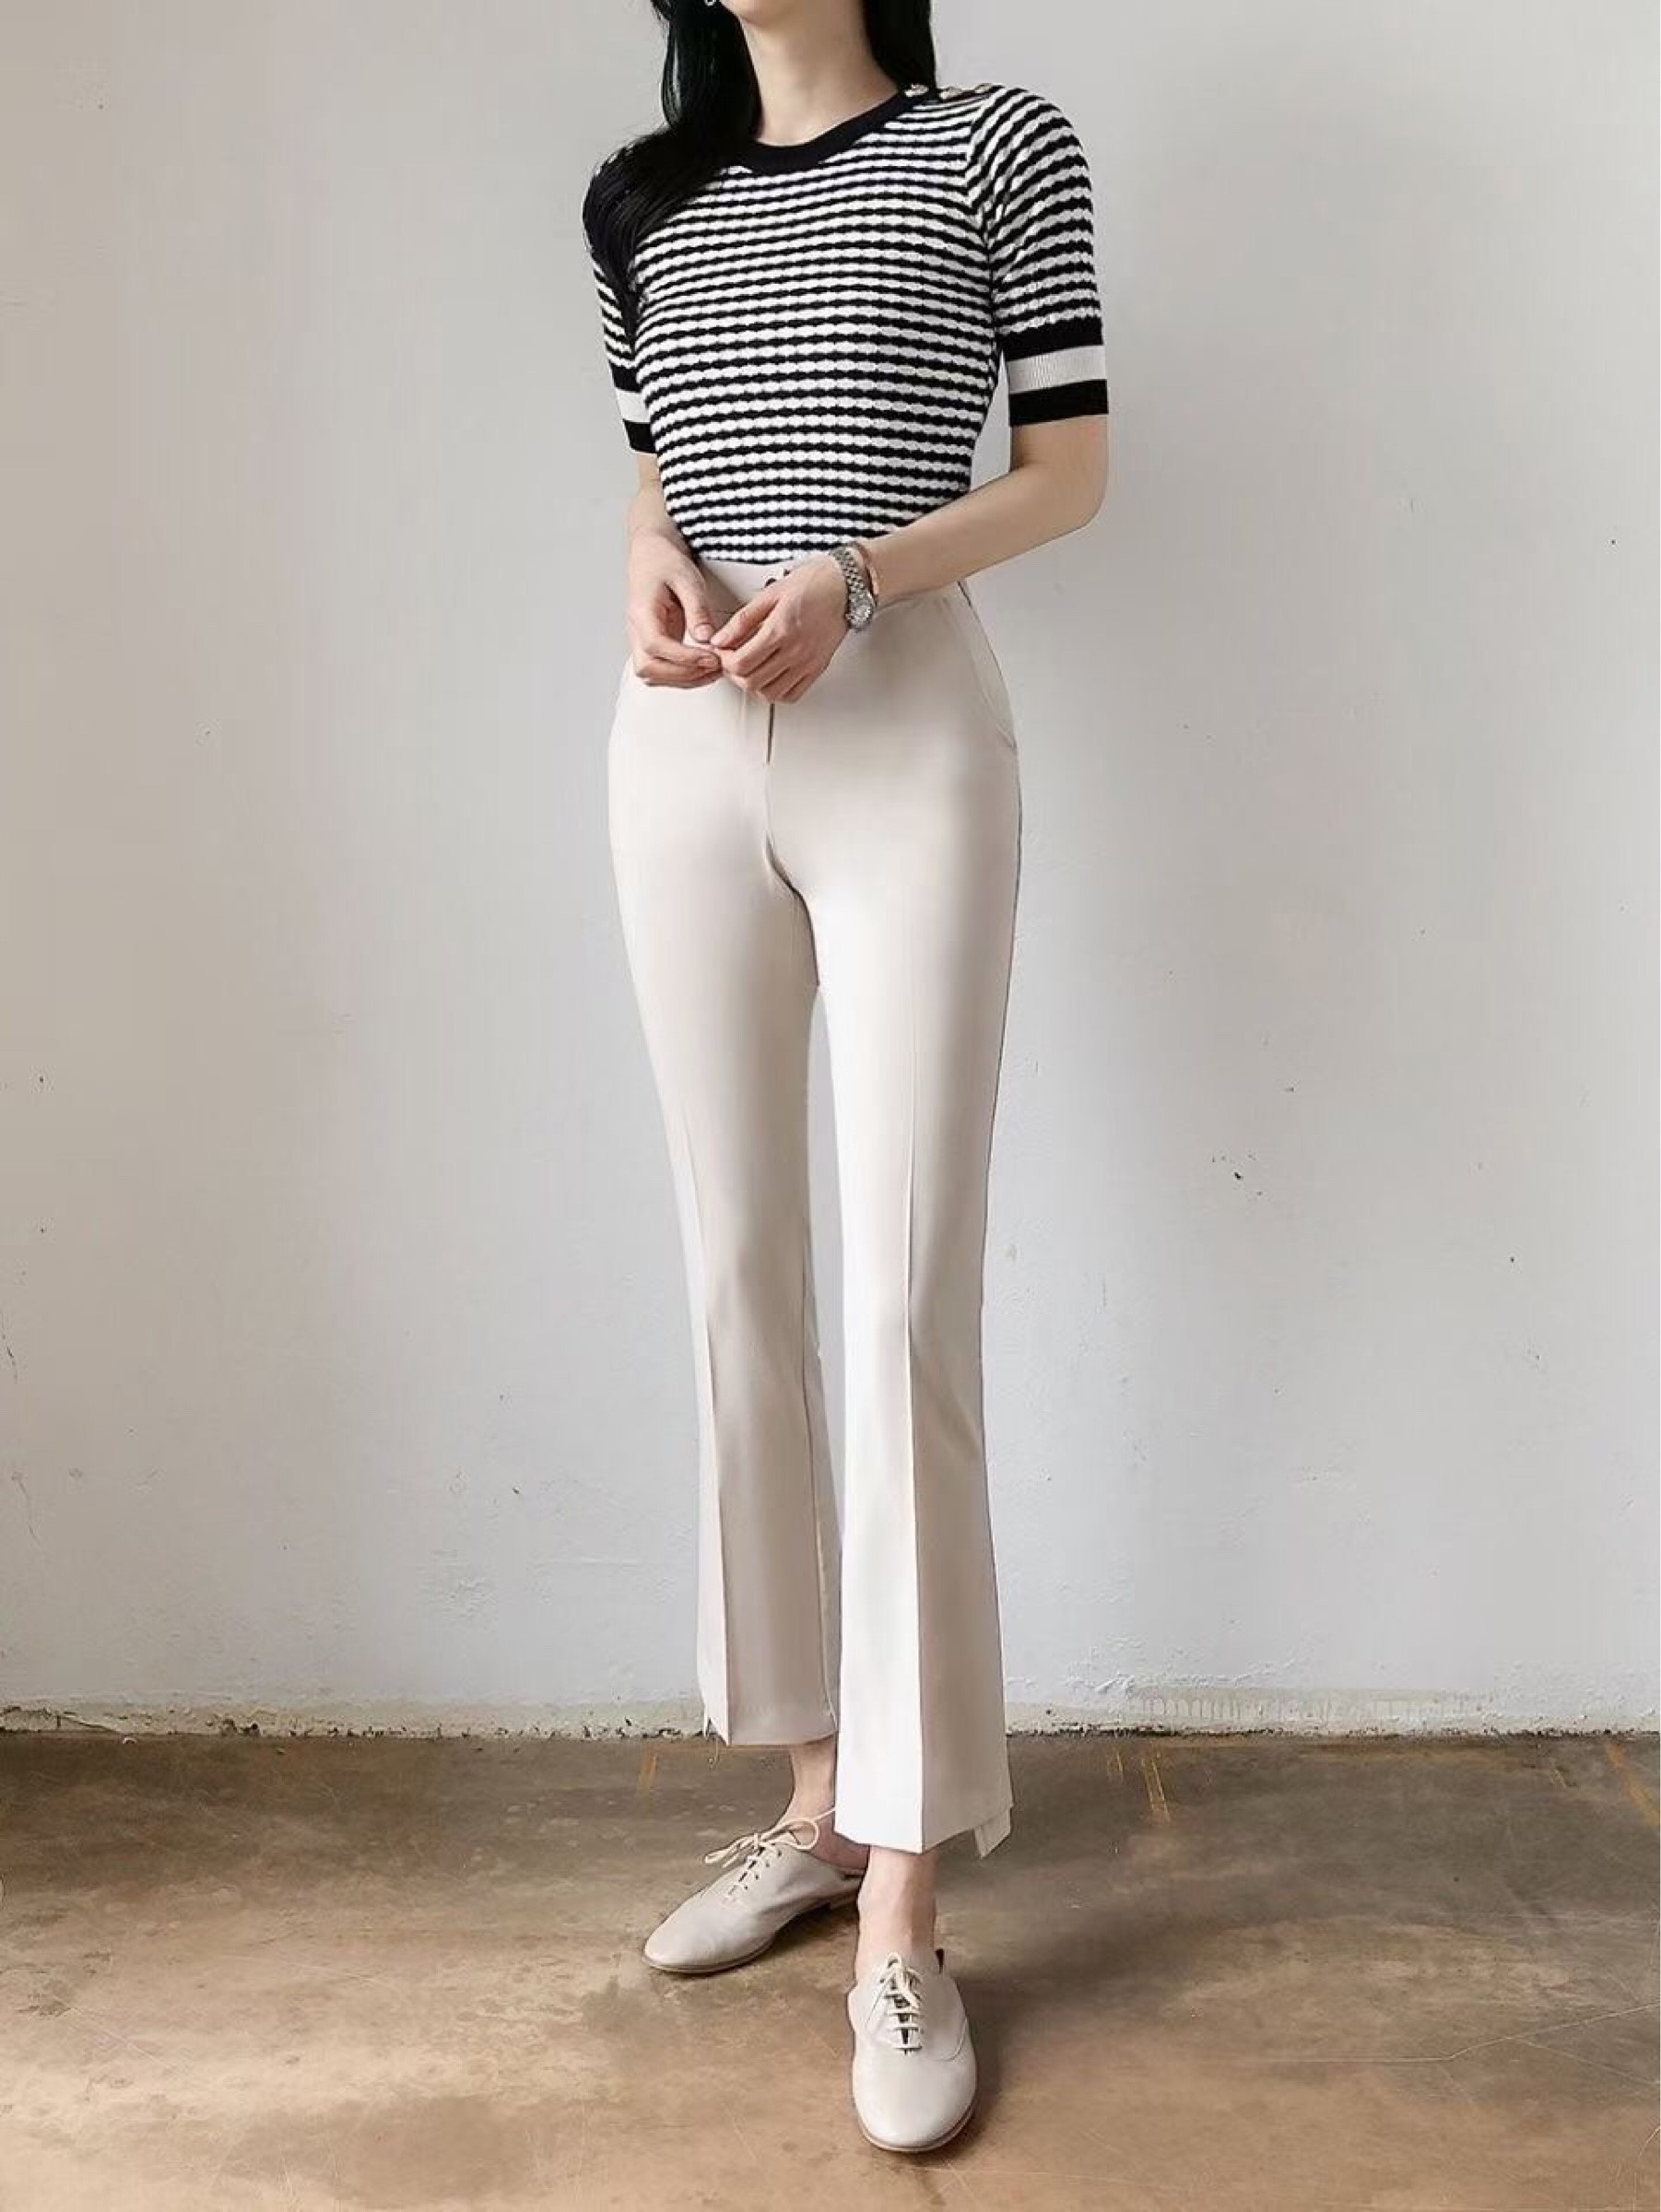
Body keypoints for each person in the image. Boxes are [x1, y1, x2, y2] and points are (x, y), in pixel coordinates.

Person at [583, 0, 1109, 2155]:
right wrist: (649, 555)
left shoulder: (996, 145)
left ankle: (903, 1896)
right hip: (679, 752)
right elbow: (662, 453)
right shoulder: (643, 197)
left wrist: (857, 578)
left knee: (898, 1310)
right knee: (737, 1282)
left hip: (904, 739)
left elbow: (1068, 469)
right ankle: (810, 1801)